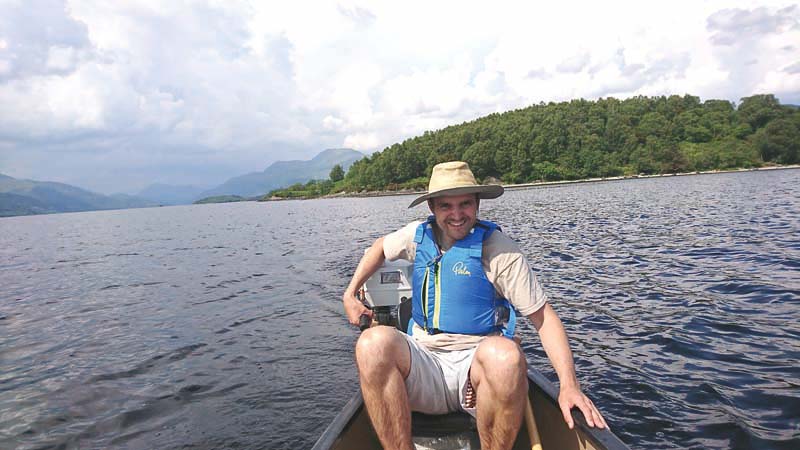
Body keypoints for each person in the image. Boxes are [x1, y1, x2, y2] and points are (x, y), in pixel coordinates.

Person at [342, 161, 607, 450]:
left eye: (465, 204)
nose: (457, 215)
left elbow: (544, 319)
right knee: (372, 343)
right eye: (446, 206)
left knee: (506, 356)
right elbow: (380, 247)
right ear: (432, 207)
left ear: (477, 204)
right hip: (422, 364)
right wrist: (350, 294)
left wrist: (569, 385)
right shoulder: (417, 236)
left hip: (476, 370)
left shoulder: (500, 251)